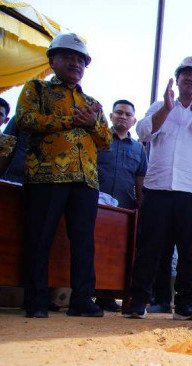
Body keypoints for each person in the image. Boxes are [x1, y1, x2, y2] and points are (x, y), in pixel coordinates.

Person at [16, 33, 112, 318]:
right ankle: (35, 300)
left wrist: (92, 125)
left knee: (84, 242)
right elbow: (25, 119)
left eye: (80, 60)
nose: (75, 63)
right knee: (39, 237)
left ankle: (82, 299)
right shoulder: (37, 89)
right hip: (46, 177)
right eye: (69, 57)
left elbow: (106, 140)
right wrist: (69, 119)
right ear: (52, 60)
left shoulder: (92, 103)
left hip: (85, 180)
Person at [125, 55, 192, 320]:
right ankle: (140, 302)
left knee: (191, 252)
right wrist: (167, 109)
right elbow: (143, 133)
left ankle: (185, 305)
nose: (191, 79)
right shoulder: (159, 107)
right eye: (186, 75)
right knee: (150, 248)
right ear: (177, 80)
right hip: (158, 189)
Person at [96, 100, 148, 210]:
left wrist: (141, 206)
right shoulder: (97, 140)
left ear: (134, 121)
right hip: (95, 203)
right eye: (119, 112)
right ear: (111, 116)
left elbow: (140, 181)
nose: (123, 117)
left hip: (125, 207)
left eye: (128, 114)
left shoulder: (139, 149)